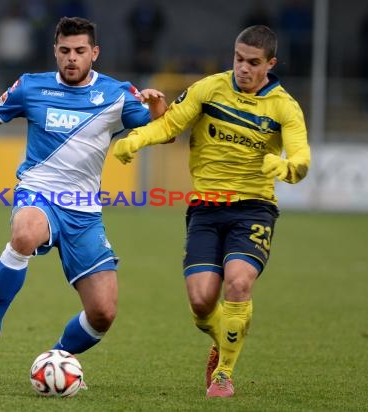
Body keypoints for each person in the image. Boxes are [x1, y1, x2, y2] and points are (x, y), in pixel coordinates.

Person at [0, 17, 167, 375]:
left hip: (84, 213)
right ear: (55, 51)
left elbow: (165, 133)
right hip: (38, 193)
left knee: (103, 312)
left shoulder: (117, 94)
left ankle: (54, 360)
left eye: (80, 51)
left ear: (94, 53)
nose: (72, 58)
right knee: (24, 232)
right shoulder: (30, 87)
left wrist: (158, 109)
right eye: (65, 50)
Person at [113, 25, 310, 397]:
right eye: (238, 59)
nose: (243, 68)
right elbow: (171, 123)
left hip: (254, 208)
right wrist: (137, 139)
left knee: (238, 282)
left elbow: (300, 157)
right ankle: (224, 338)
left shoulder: (284, 106)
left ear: (271, 63)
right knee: (202, 302)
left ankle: (224, 373)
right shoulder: (209, 89)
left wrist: (287, 168)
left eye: (253, 62)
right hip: (206, 208)